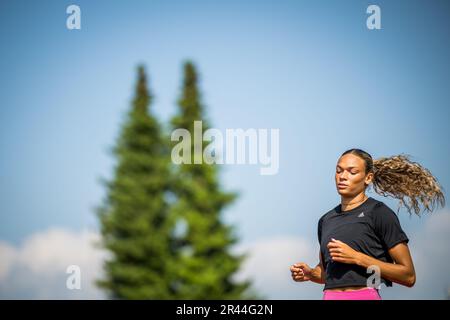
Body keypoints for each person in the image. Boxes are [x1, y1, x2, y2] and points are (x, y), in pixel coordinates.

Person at [290, 148, 445, 300]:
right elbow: (326, 273)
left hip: (365, 294)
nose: (342, 177)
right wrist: (310, 273)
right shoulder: (325, 220)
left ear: (368, 178)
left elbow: (408, 276)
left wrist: (357, 257)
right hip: (330, 296)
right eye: (339, 170)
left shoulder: (379, 213)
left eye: (352, 172)